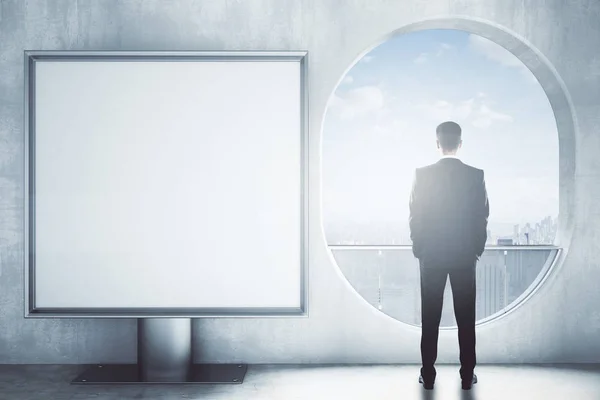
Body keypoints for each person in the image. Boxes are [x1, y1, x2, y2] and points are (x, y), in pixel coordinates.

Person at [409, 121, 489, 391]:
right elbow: (482, 216)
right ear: (460, 143)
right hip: (464, 256)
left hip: (431, 257)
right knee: (466, 319)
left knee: (430, 318)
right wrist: (475, 249)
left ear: (437, 143)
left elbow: (415, 215)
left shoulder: (422, 174)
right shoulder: (475, 175)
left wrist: (419, 248)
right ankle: (467, 375)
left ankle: (428, 376)